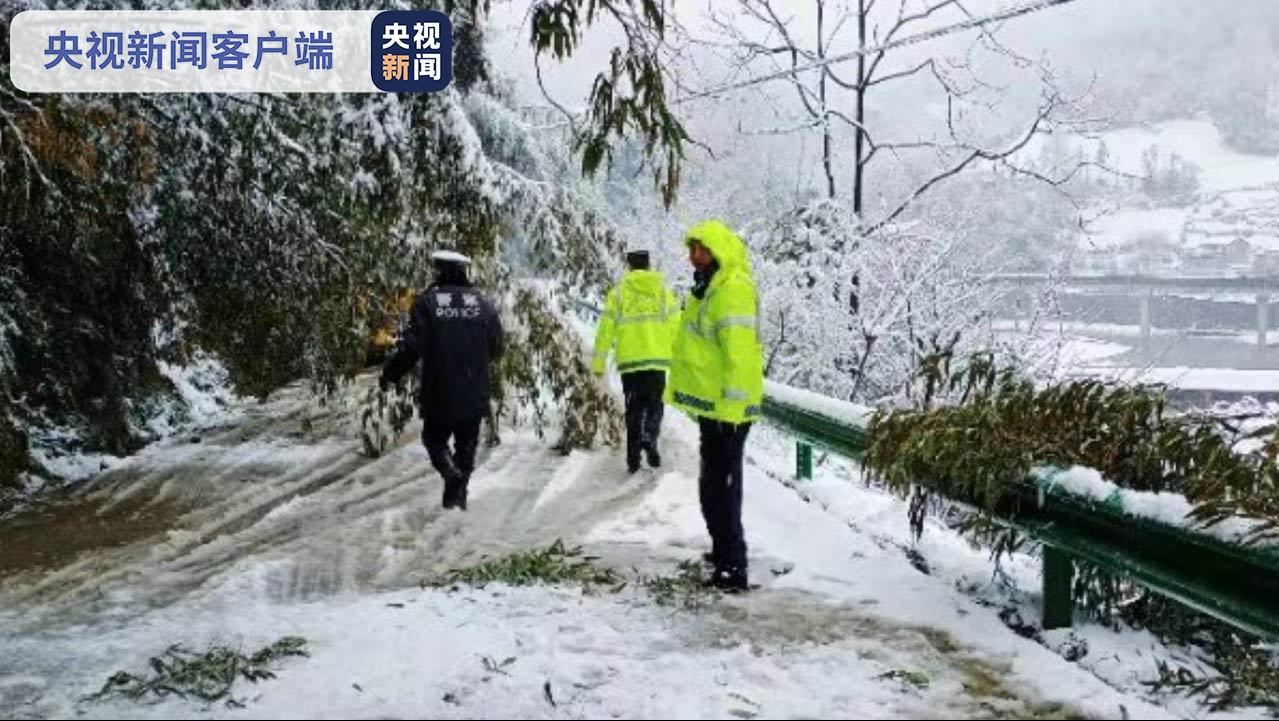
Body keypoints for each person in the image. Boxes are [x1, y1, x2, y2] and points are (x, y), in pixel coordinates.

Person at [665, 221, 764, 592]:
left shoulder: (732, 290)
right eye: (691, 249)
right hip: (716, 409)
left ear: (718, 250)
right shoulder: (709, 288)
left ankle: (733, 568)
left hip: (729, 412)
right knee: (712, 485)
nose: (694, 257)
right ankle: (722, 552)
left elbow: (740, 355)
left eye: (702, 250)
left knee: (722, 487)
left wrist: (731, 412)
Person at [380, 250, 503, 511]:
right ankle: (457, 501)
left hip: (439, 389)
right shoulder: (484, 304)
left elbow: (411, 350)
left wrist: (391, 373)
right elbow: (497, 349)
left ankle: (451, 477)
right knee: (466, 445)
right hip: (474, 389)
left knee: (434, 440)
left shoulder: (427, 303)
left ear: (439, 271)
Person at [591, 249, 681, 473]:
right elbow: (676, 326)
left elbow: (605, 331)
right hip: (657, 362)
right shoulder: (663, 292)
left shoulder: (618, 294)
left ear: (629, 266)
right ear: (649, 265)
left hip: (630, 364)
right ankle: (650, 436)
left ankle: (632, 459)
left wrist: (598, 364)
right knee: (655, 405)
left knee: (633, 409)